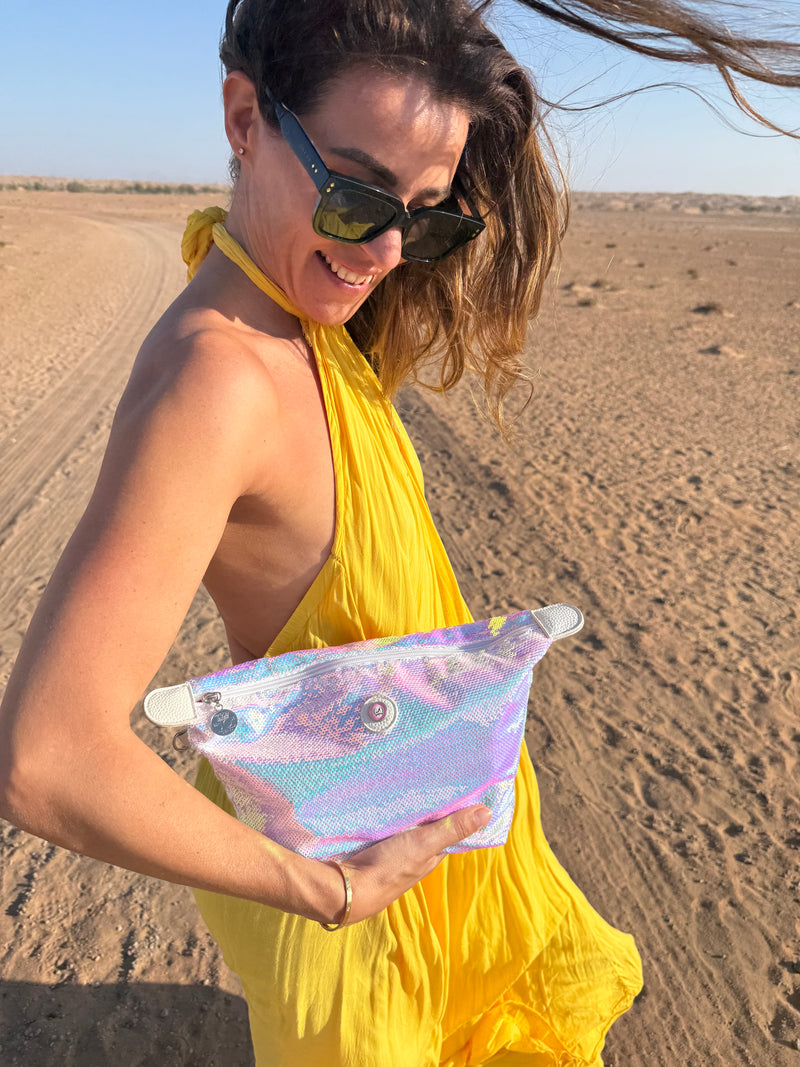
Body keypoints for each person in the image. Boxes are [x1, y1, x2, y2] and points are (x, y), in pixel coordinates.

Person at [1, 1, 797, 1064]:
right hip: (354, 909)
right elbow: (48, 755)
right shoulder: (218, 378)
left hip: (408, 830)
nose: (382, 250)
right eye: (352, 193)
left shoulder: (300, 321)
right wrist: (330, 891)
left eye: (424, 217)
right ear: (243, 117)